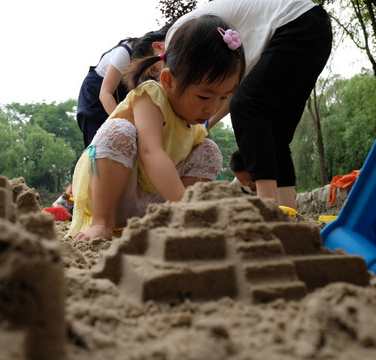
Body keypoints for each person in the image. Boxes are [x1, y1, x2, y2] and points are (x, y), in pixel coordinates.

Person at [68, 15, 246, 240]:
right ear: (169, 80)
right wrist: (188, 207)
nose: (212, 108)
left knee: (209, 151)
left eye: (223, 97)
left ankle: (176, 220)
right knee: (119, 131)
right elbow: (150, 152)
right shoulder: (151, 96)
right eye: (203, 96)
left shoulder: (194, 123)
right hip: (118, 199)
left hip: (151, 206)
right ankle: (102, 223)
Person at [166, 0, 332, 209]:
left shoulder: (179, 37)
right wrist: (206, 125)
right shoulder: (197, 38)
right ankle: (288, 212)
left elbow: (235, 99)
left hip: (294, 23)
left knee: (248, 107)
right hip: (316, 27)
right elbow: (229, 92)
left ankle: (267, 208)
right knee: (276, 135)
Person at [76, 23, 172, 148]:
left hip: (121, 99)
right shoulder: (125, 51)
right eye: (153, 70)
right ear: (158, 46)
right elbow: (105, 94)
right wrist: (126, 126)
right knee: (100, 147)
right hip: (96, 98)